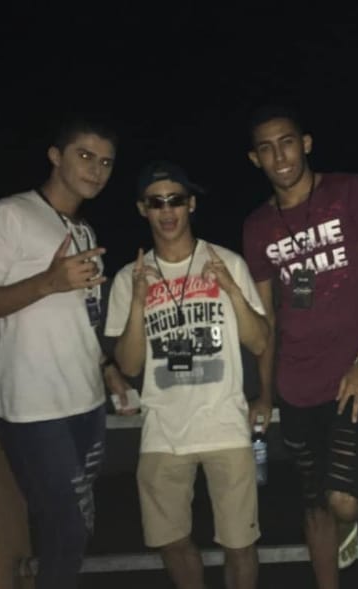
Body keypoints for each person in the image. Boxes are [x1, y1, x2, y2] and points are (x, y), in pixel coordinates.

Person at [0, 115, 118, 589]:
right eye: (84, 155)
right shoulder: (10, 215)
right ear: (54, 155)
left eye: (106, 162)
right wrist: (48, 282)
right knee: (66, 529)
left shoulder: (84, 232)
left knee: (79, 524)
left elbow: (81, 318)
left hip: (86, 400)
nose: (96, 170)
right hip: (32, 408)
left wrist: (107, 367)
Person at [242, 104, 358, 588]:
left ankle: (349, 524)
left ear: (305, 143)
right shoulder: (257, 226)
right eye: (267, 148)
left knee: (342, 501)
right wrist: (265, 393)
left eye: (287, 142)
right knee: (313, 499)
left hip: (352, 374)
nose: (279, 156)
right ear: (255, 159)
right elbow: (267, 319)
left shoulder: (349, 190)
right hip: (295, 382)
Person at [105, 161, 268, 589]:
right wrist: (138, 301)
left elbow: (260, 342)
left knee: (240, 545)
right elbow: (129, 366)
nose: (167, 210)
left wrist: (232, 290)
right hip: (162, 432)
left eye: (175, 199)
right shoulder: (129, 278)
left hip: (225, 426)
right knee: (171, 542)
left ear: (191, 204)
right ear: (143, 209)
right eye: (156, 202)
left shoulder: (227, 261)